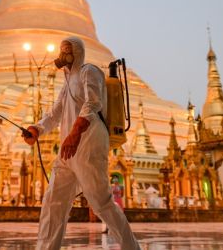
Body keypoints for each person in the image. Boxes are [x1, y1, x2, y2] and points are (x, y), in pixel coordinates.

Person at [24, 36, 140, 250]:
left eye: (66, 50)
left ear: (77, 52)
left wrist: (75, 133)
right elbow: (55, 113)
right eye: (61, 49)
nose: (62, 54)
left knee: (101, 203)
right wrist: (36, 129)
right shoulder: (67, 82)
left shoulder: (89, 71)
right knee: (53, 202)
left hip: (88, 144)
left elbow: (93, 103)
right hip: (68, 149)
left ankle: (131, 247)